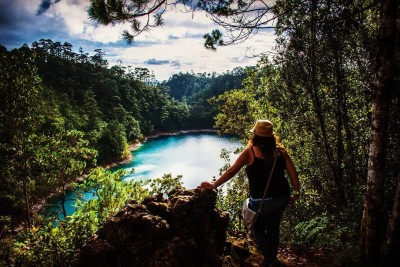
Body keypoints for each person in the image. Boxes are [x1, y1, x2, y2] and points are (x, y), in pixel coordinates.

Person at [200, 119, 300, 267]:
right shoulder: (281, 153)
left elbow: (232, 171)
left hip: (259, 200)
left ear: (255, 136)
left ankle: (268, 259)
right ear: (272, 136)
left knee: (257, 228)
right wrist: (296, 193)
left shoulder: (250, 152)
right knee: (273, 227)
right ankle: (272, 259)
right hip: (281, 198)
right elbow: (293, 174)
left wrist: (214, 185)